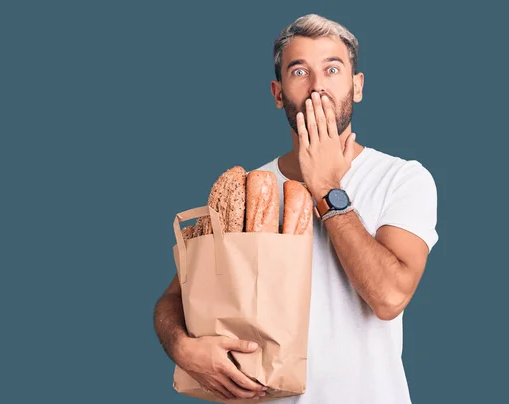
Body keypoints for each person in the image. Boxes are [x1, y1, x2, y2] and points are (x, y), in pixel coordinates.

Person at [154, 13, 438, 403]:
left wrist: (325, 187)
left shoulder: (402, 178)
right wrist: (182, 348)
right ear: (277, 92)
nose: (318, 86)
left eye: (333, 69)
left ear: (357, 86)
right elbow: (174, 299)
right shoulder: (249, 187)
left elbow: (389, 297)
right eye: (299, 71)